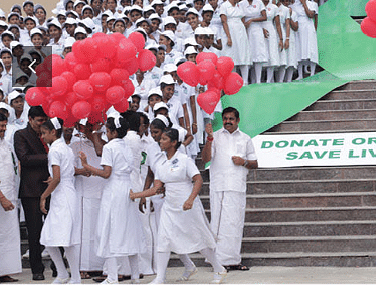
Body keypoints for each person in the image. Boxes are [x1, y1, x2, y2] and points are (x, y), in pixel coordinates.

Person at [130, 128, 227, 284]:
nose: (160, 142)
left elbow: (198, 180)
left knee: (198, 238)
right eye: (160, 139)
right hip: (170, 206)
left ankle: (219, 268)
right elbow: (156, 188)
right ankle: (160, 278)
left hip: (187, 205)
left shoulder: (184, 159)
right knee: (164, 239)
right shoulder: (160, 162)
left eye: (164, 139)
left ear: (174, 142)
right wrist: (136, 195)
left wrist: (190, 199)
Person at [79, 115, 145, 284]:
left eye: (107, 131)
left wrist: (86, 166)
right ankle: (135, 276)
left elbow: (107, 173)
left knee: (110, 230)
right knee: (129, 230)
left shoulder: (110, 147)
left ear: (114, 132)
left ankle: (112, 277)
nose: (106, 133)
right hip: (126, 188)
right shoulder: (126, 146)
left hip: (114, 191)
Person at [202, 107, 258, 271]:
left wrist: (244, 162)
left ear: (237, 120)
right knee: (218, 223)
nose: (227, 121)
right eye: (225, 118)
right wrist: (209, 139)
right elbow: (205, 159)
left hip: (236, 186)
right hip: (219, 185)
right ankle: (216, 261)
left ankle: (233, 260)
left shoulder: (245, 138)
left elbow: (255, 164)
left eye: (231, 119)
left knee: (234, 223)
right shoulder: (216, 136)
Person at [39, 117, 82, 284]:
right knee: (48, 237)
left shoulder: (56, 150)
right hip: (64, 193)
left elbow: (57, 178)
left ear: (53, 132)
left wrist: (44, 196)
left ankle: (75, 277)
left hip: (64, 195)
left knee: (66, 239)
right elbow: (63, 174)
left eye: (44, 133)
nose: (42, 137)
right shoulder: (65, 148)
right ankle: (63, 274)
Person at [13, 105, 53, 281]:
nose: (41, 124)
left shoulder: (50, 133)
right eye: (39, 121)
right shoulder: (21, 135)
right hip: (32, 190)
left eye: (44, 121)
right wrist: (52, 157)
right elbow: (25, 158)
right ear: (30, 120)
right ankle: (37, 269)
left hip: (51, 187)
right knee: (34, 231)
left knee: (54, 228)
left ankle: (57, 266)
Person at [69, 120, 106, 279]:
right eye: (86, 126)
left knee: (100, 230)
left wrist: (95, 136)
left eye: (93, 125)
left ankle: (100, 265)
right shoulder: (76, 145)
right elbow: (68, 169)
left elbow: (102, 156)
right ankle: (83, 266)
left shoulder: (105, 143)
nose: (89, 129)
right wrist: (81, 171)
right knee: (84, 231)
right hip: (84, 193)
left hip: (103, 191)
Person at [0, 111, 21, 283]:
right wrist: (1, 197)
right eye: (0, 126)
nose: (4, 129)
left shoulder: (6, 144)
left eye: (5, 125)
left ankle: (3, 271)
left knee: (8, 235)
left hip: (10, 194)